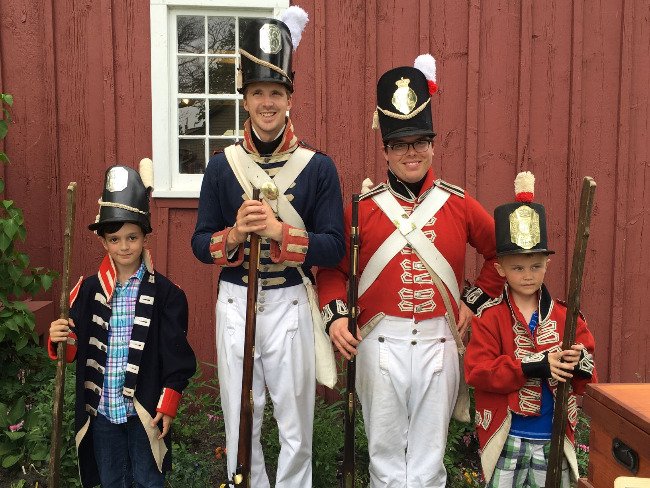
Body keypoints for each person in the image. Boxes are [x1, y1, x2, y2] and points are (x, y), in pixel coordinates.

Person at [316, 54, 504, 488]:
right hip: (379, 340)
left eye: (420, 141)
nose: (412, 152)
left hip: (440, 338)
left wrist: (473, 303)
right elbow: (329, 268)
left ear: (433, 145)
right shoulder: (360, 210)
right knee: (383, 456)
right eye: (401, 143)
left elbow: (500, 255)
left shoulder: (458, 204)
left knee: (429, 458)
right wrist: (336, 315)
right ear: (385, 149)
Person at [190, 7, 345, 488]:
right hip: (237, 301)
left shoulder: (318, 167)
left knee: (296, 426)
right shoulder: (222, 167)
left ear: (289, 99)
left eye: (276, 92)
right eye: (257, 92)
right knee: (242, 420)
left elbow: (335, 247)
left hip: (293, 302)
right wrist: (234, 236)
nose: (267, 102)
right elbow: (200, 244)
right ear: (245, 99)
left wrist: (281, 234)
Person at [48, 160, 197, 488]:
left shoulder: (167, 294)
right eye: (115, 239)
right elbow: (71, 348)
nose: (124, 246)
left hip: (144, 412)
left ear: (144, 237)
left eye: (132, 237)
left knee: (148, 480)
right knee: (111, 479)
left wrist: (168, 404)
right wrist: (59, 335)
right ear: (103, 242)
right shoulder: (87, 290)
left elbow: (177, 357)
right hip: (101, 410)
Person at [464, 171, 596, 487]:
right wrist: (532, 366)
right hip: (507, 435)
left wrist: (577, 361)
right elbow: (477, 372)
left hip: (553, 435)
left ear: (547, 264)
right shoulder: (489, 317)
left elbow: (588, 369)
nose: (527, 275)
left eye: (535, 266)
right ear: (499, 268)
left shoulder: (567, 316)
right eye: (517, 267)